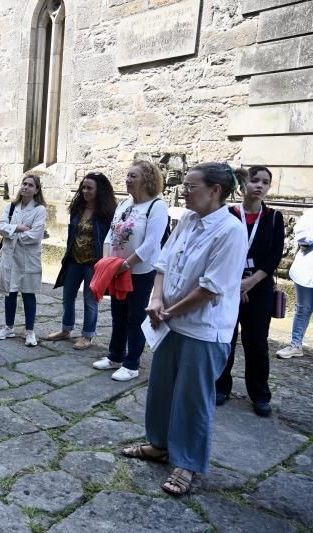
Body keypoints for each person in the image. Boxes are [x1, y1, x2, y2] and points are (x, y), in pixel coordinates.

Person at [124, 162, 247, 496]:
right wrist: (156, 298)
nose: (184, 191)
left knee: (192, 398)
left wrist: (168, 312)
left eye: (191, 186)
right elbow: (163, 262)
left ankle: (187, 463)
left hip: (203, 330)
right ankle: (160, 445)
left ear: (215, 190)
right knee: (161, 388)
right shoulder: (188, 220)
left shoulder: (230, 231)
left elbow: (210, 288)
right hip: (169, 321)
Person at [215, 166, 284, 416]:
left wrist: (250, 282)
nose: (259, 186)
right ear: (244, 184)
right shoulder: (229, 215)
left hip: (259, 288)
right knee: (226, 337)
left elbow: (274, 255)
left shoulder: (274, 218)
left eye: (265, 182)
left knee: (256, 342)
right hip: (229, 285)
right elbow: (221, 250)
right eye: (254, 180)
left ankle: (259, 394)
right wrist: (236, 283)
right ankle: (220, 387)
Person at [92, 160, 169, 381]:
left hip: (140, 272)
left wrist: (125, 265)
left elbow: (152, 243)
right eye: (127, 175)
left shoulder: (157, 207)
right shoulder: (124, 204)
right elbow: (111, 234)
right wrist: (107, 262)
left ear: (147, 179)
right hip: (116, 270)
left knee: (135, 317)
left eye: (133, 176)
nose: (127, 179)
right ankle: (114, 355)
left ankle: (132, 363)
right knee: (118, 314)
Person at [48, 172, 117, 349]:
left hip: (94, 264)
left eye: (89, 188)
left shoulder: (107, 213)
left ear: (99, 190)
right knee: (67, 297)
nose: (85, 191)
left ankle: (87, 335)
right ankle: (66, 329)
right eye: (83, 187)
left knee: (90, 300)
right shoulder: (78, 209)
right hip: (74, 261)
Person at [0, 174, 47, 347]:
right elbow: (1, 227)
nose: (26, 187)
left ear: (36, 190)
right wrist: (18, 228)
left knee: (28, 292)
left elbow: (36, 234)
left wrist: (13, 234)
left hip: (28, 258)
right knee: (10, 292)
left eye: (30, 185)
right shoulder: (11, 207)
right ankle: (9, 326)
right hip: (10, 256)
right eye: (24, 183)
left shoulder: (40, 210)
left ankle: (30, 331)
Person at [276, 206, 313, 359]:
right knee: (303, 308)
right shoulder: (310, 214)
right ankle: (295, 344)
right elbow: (301, 236)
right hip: (307, 267)